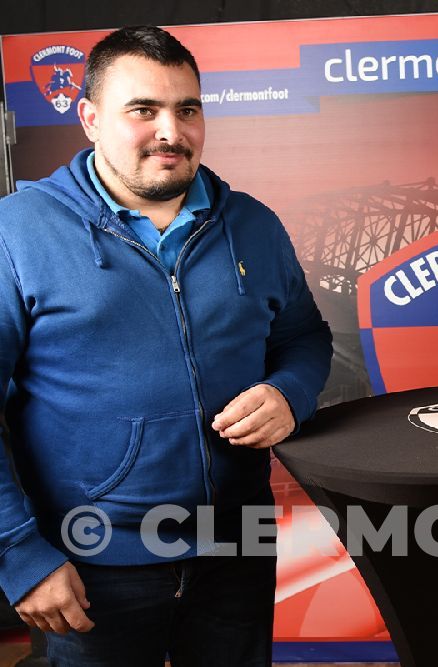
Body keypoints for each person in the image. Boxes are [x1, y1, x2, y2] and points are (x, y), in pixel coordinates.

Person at [0, 26, 333, 665]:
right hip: (90, 563)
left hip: (236, 549)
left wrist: (291, 392)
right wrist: (19, 556)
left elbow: (305, 339)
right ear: (90, 119)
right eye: (143, 110)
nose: (171, 131)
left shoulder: (254, 224)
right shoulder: (17, 234)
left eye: (187, 109)